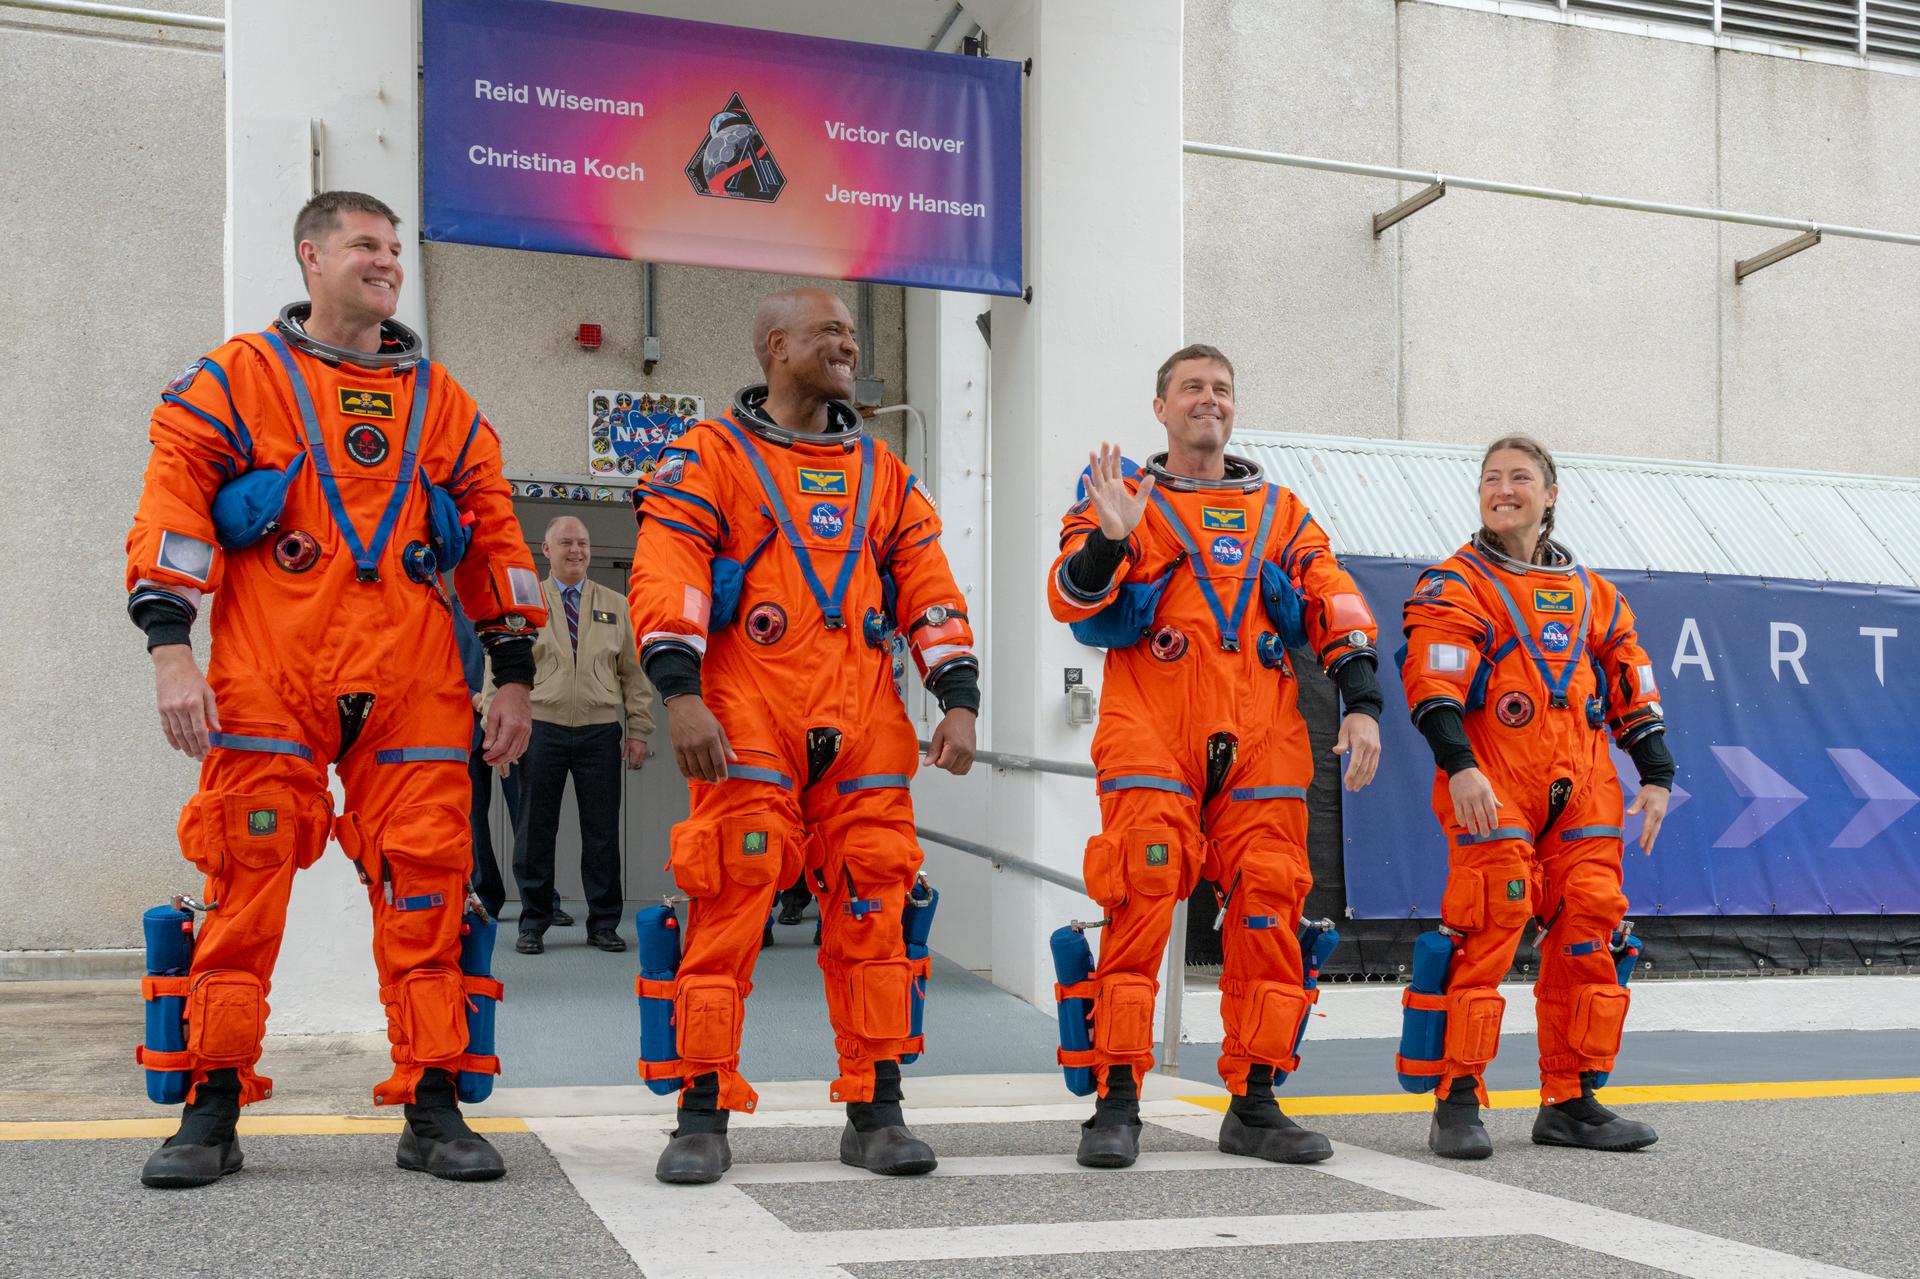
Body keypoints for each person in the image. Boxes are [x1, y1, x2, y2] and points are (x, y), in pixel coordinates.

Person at [126, 190, 545, 1188]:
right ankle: (211, 1106)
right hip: (274, 674)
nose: (387, 261)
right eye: (366, 244)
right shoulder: (238, 380)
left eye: (395, 249)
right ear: (311, 256)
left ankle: (433, 1105)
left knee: (429, 884)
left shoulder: (441, 403)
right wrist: (169, 646)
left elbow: (496, 539)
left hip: (412, 680)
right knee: (245, 880)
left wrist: (515, 675)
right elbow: (174, 504)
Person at [628, 287, 980, 1185]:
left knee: (877, 911)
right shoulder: (710, 457)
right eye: (831, 331)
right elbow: (668, 576)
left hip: (864, 722)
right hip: (748, 708)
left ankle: (877, 1109)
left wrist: (959, 696)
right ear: (776, 347)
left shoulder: (883, 472)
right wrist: (680, 693)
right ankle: (702, 1111)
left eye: (853, 333)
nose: (849, 345)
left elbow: (928, 587)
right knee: (729, 902)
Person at [1047, 344, 1385, 1169]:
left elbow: (1332, 597)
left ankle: (1257, 1102)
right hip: (1152, 722)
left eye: (1222, 388)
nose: (1210, 399)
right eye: (1192, 387)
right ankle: (1117, 1102)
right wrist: (1111, 543)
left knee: (1271, 904)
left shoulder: (1282, 510)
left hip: (1263, 727)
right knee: (1140, 895)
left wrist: (1363, 703)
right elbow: (1070, 594)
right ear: (1160, 407)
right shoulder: (1122, 493)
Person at [1399, 434, 1674, 1159]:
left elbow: (1631, 683)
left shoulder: (1594, 594)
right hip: (1493, 781)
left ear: (1550, 495)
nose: (1504, 488)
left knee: (1591, 923)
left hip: (1582, 786)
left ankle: (1571, 1100)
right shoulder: (1455, 584)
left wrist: (1656, 775)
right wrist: (1459, 766)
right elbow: (1433, 685)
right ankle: (1457, 1098)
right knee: (1492, 917)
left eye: (1520, 477)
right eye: (1492, 478)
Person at [501, 515, 655, 955]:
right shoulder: (527, 601)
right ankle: (533, 922)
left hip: (599, 732)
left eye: (583, 543)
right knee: (534, 831)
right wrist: (498, 728)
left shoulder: (616, 604)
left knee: (602, 833)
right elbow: (503, 671)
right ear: (545, 550)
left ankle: (604, 923)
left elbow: (633, 674)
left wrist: (638, 729)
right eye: (565, 543)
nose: (576, 551)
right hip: (539, 730)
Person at [455, 603, 522, 921]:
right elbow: (436, 666)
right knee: (474, 818)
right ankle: (486, 894)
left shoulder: (510, 611)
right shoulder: (445, 611)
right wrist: (474, 697)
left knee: (527, 814)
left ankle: (539, 898)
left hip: (510, 725)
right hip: (465, 728)